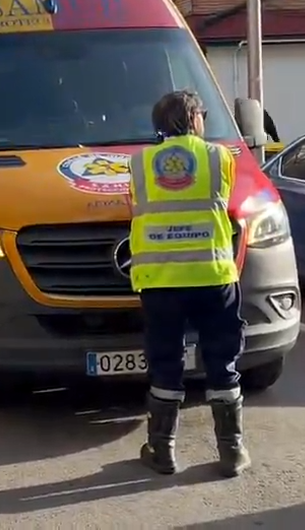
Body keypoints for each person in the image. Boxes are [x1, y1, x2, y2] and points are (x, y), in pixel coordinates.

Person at [128, 89, 250, 478]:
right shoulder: (219, 158)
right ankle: (231, 452)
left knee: (166, 363)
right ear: (195, 117)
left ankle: (162, 451)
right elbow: (226, 200)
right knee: (222, 361)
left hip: (160, 280)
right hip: (212, 275)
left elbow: (136, 206)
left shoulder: (140, 163)